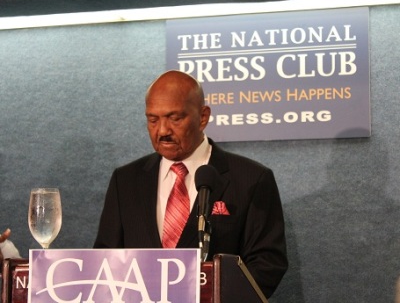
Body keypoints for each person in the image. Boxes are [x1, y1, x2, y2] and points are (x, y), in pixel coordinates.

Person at [94, 70, 288, 298]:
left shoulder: (251, 179)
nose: (163, 131)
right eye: (153, 119)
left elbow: (267, 263)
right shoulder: (125, 180)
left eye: (175, 118)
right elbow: (105, 259)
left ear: (203, 117)